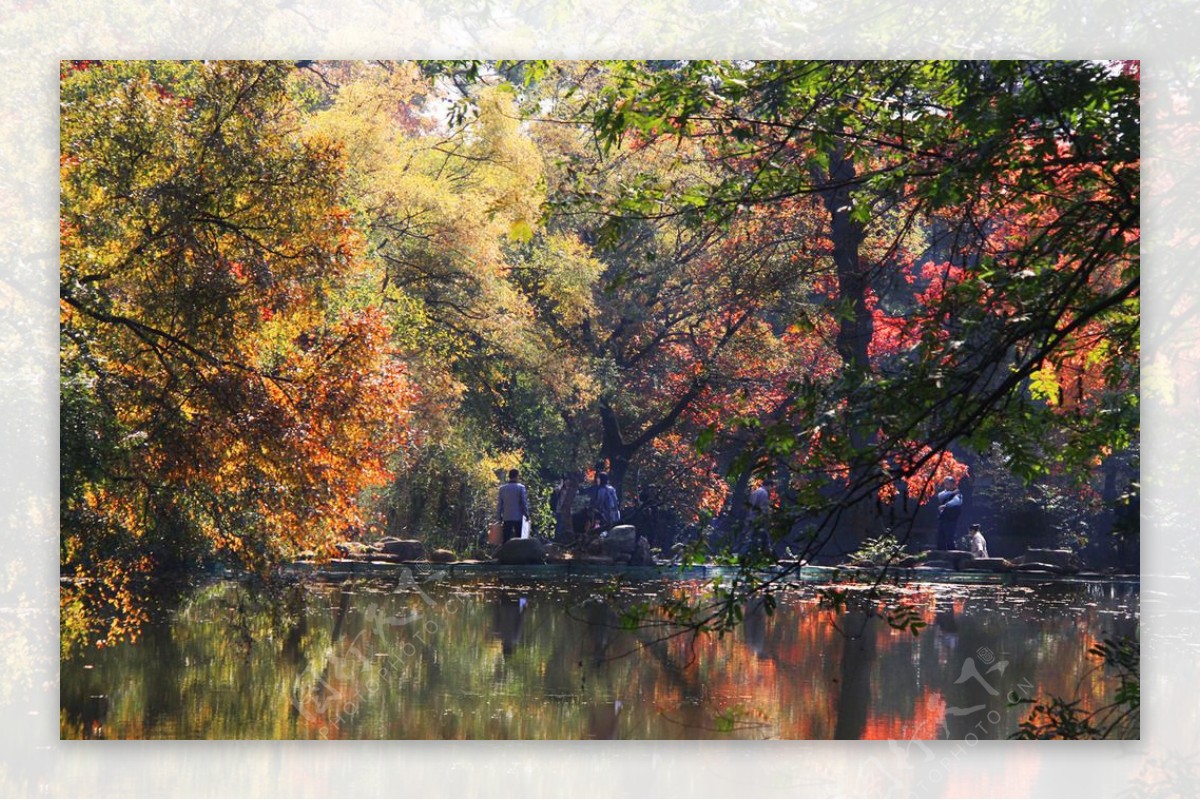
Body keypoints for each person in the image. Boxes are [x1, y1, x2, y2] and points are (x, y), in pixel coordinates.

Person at [497, 468, 529, 543]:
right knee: (518, 539)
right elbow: (523, 502)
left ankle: (505, 553)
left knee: (506, 538)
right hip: (518, 517)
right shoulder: (521, 488)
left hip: (506, 516)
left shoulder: (502, 488)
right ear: (517, 476)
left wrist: (499, 516)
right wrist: (526, 514)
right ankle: (518, 553)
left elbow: (500, 504)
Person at [745, 478, 774, 553]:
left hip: (751, 517)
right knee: (763, 537)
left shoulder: (755, 492)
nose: (771, 489)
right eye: (771, 487)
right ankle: (767, 553)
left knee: (752, 536)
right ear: (769, 485)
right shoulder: (764, 493)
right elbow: (763, 507)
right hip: (758, 518)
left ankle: (746, 553)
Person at [935, 475, 963, 551]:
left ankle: (953, 557)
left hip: (951, 519)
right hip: (943, 518)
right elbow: (940, 496)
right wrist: (951, 493)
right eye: (945, 483)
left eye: (947, 483)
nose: (945, 485)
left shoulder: (958, 493)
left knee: (949, 538)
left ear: (953, 484)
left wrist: (945, 505)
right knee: (940, 538)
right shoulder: (946, 493)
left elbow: (956, 502)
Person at [554, 472, 577, 539]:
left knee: (564, 526)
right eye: (566, 480)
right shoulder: (561, 489)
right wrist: (561, 482)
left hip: (567, 511)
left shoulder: (571, 490)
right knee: (559, 525)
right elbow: (556, 490)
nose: (567, 481)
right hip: (559, 509)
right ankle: (557, 538)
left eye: (568, 480)